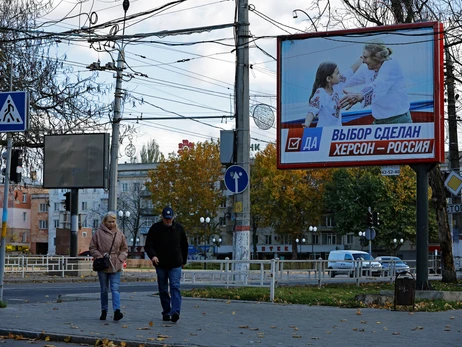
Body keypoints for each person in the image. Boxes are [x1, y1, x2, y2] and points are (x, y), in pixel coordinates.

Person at [339, 40, 412, 124]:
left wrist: (361, 95)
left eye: (365, 57)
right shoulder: (366, 69)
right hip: (379, 121)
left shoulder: (391, 64)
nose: (363, 61)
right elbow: (348, 80)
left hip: (399, 120)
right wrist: (328, 84)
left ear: (376, 57)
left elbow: (379, 84)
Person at [144, 206, 188, 323]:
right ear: (162, 217)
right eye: (166, 218)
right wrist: (153, 256)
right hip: (161, 264)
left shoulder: (179, 229)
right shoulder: (155, 228)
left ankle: (175, 311)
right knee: (163, 289)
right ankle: (166, 311)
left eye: (170, 218)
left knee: (175, 286)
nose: (168, 221)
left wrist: (183, 261)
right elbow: (148, 245)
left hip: (175, 264)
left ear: (173, 217)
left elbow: (184, 246)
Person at [89, 211, 128, 321]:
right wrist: (99, 256)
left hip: (116, 264)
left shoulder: (119, 233)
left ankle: (117, 311)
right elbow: (92, 247)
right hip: (103, 264)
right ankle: (104, 311)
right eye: (109, 221)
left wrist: (121, 258)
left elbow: (124, 249)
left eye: (113, 221)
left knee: (115, 288)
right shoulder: (98, 233)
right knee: (104, 289)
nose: (112, 223)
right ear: (105, 222)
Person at [303, 59, 362, 128]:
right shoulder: (320, 94)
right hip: (323, 132)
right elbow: (311, 111)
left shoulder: (338, 86)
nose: (340, 75)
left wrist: (361, 59)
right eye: (337, 73)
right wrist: (307, 124)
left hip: (336, 131)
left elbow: (350, 71)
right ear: (328, 79)